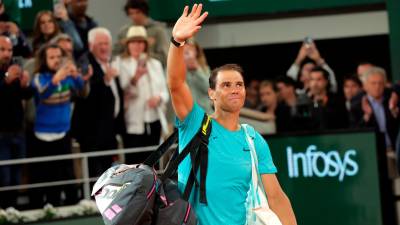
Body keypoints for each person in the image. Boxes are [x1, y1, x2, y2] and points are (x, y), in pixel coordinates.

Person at [167, 4, 297, 225]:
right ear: (212, 94)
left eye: (239, 84)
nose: (235, 89)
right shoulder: (196, 122)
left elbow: (276, 197)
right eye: (226, 85)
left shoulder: (253, 139)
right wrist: (177, 43)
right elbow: (177, 84)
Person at [30, 44, 87, 207]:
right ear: (44, 60)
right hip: (42, 135)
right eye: (52, 57)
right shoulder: (39, 77)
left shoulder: (67, 77)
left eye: (58, 57)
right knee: (43, 176)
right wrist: (56, 79)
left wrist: (76, 75)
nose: (56, 60)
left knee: (65, 174)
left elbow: (82, 92)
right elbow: (42, 93)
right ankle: (42, 208)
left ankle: (69, 206)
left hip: (63, 133)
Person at [71, 27, 125, 177]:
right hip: (91, 132)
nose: (104, 47)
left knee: (110, 172)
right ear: (90, 46)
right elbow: (83, 95)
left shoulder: (111, 62)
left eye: (106, 43)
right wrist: (104, 80)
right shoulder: (84, 63)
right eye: (100, 44)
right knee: (94, 173)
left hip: (109, 129)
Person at [113, 25, 169, 164]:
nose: (137, 45)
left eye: (140, 42)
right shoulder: (120, 63)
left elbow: (164, 91)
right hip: (132, 121)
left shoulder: (154, 63)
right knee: (134, 161)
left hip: (153, 118)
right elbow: (122, 93)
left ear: (145, 45)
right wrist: (135, 78)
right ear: (128, 45)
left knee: (153, 159)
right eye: (133, 42)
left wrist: (159, 98)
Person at [0, 36, 33, 208]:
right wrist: (6, 79)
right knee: (3, 176)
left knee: (16, 175)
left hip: (18, 131)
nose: (6, 54)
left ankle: (12, 209)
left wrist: (25, 84)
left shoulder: (15, 69)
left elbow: (27, 95)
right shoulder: (7, 73)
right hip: (1, 135)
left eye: (9, 50)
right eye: (2, 50)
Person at [115, 0, 168, 66]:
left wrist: (146, 56)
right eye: (131, 13)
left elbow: (165, 57)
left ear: (144, 12)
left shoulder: (157, 31)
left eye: (138, 12)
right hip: (128, 71)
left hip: (153, 70)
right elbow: (115, 55)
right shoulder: (124, 32)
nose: (134, 16)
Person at [183, 38, 212, 114]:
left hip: (204, 112)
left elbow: (208, 88)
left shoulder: (204, 69)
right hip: (186, 114)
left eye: (192, 50)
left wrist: (197, 70)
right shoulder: (178, 69)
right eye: (186, 51)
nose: (189, 54)